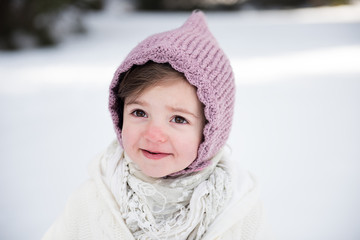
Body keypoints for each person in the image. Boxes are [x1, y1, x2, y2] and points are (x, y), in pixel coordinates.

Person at [43, 11, 268, 240]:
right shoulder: (91, 202)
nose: (154, 134)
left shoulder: (239, 210)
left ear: (211, 131)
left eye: (179, 119)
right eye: (139, 112)